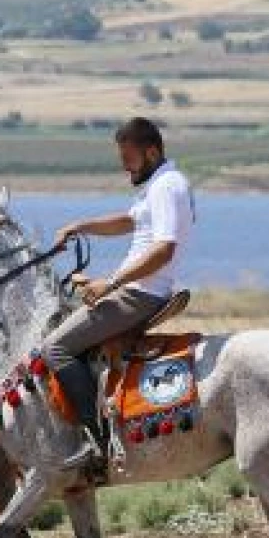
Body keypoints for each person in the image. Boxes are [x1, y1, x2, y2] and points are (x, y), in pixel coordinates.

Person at [44, 116, 195, 476]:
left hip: (140, 294)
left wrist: (109, 284)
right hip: (134, 288)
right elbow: (129, 222)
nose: (125, 167)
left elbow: (164, 251)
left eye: (129, 159)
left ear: (152, 152)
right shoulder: (158, 184)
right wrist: (80, 226)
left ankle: (95, 442)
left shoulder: (167, 187)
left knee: (55, 348)